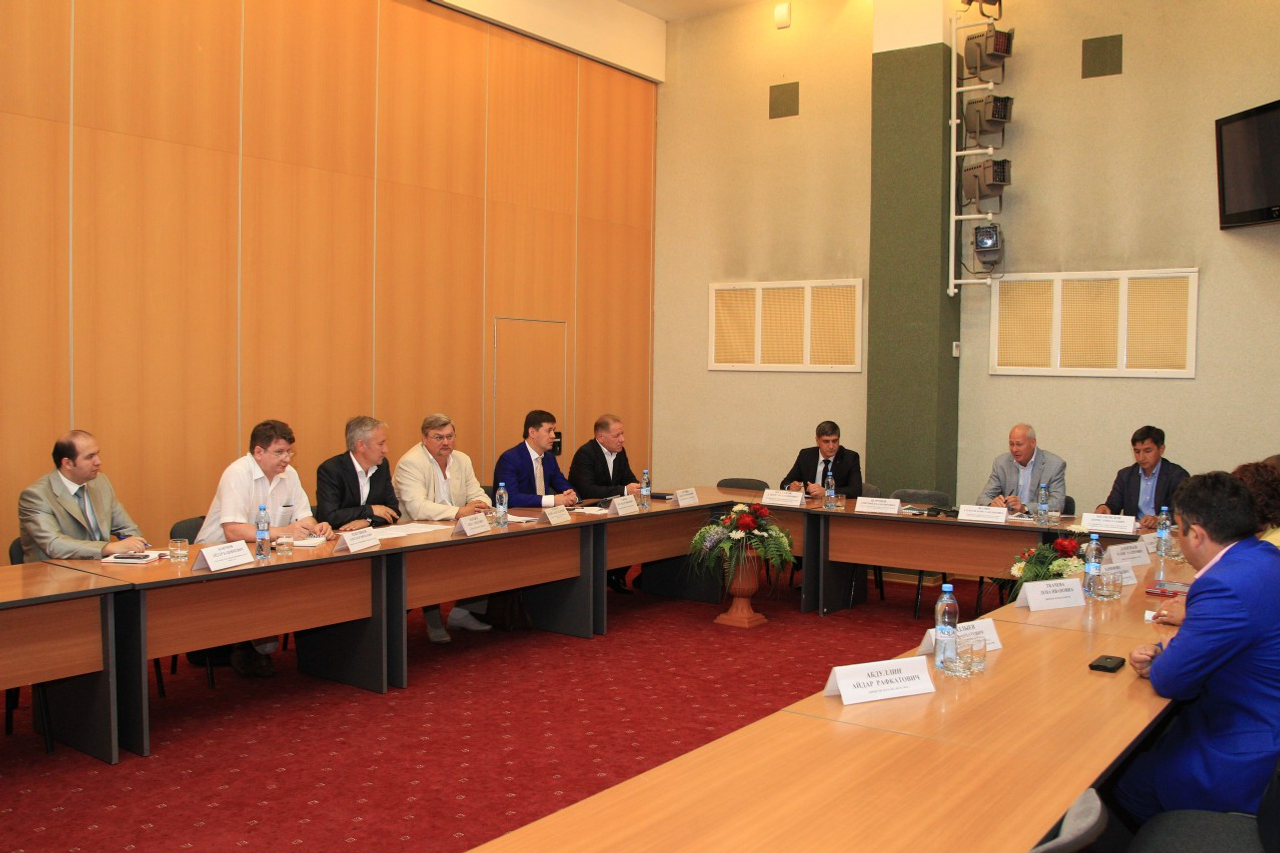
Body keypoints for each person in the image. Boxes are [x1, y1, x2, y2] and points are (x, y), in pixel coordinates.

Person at [1114, 472, 1280, 827]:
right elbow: (1222, 638)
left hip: (1248, 752)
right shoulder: (1265, 556)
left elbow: (1171, 681)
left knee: (1121, 779)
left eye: (1178, 529)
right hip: (1261, 716)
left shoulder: (1225, 584)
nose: (1177, 537)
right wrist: (1165, 651)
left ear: (1197, 535)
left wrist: (1163, 661)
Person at [195, 419, 335, 677]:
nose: (287, 459)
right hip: (219, 558)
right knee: (260, 588)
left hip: (264, 555)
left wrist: (316, 527)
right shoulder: (237, 473)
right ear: (258, 452)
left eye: (289, 452)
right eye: (279, 452)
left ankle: (265, 643)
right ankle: (243, 644)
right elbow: (233, 530)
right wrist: (283, 531)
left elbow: (304, 516)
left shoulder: (289, 475)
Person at [392, 413, 493, 641]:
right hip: (417, 532)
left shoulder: (462, 460)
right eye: (438, 437)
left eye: (450, 436)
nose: (446, 442)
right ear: (424, 439)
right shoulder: (411, 462)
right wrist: (459, 512)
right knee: (433, 568)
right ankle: (434, 623)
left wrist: (480, 504)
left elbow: (477, 492)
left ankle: (462, 613)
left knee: (487, 551)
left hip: (455, 528)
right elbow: (417, 507)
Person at [18, 430, 148, 563]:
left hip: (101, 568)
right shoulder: (36, 495)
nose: (98, 462)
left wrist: (134, 543)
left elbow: (126, 527)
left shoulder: (100, 482)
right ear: (68, 463)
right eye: (90, 457)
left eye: (97, 454)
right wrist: (107, 548)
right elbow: (54, 544)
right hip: (54, 571)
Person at [569, 414, 641, 593]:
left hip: (611, 511)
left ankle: (616, 574)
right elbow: (587, 491)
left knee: (636, 531)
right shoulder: (585, 454)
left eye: (622, 434)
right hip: (586, 514)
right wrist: (624, 490)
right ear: (600, 437)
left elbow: (629, 479)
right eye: (617, 435)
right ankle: (607, 576)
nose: (622, 439)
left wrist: (639, 487)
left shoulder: (620, 452)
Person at [1093, 425, 1189, 529]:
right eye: (1137, 451)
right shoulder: (1125, 475)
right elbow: (1113, 506)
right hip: (1134, 533)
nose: (1141, 457)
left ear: (1161, 449)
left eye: (1147, 451)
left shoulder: (1177, 475)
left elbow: (1182, 512)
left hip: (1163, 533)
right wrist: (1104, 508)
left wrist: (1159, 519)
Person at [315, 416, 400, 531]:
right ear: (361, 445)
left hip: (372, 536)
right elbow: (329, 516)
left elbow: (394, 511)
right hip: (339, 537)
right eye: (381, 444)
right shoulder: (331, 469)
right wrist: (370, 510)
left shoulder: (382, 466)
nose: (386, 450)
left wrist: (368, 521)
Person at [493, 410, 578, 509]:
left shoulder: (549, 459)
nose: (553, 436)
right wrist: (552, 500)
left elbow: (563, 485)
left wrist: (572, 497)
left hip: (545, 516)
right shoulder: (510, 459)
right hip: (516, 517)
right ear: (532, 432)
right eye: (549, 431)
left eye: (553, 430)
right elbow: (509, 498)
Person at [977, 423, 1066, 513]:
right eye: (1011, 444)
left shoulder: (1054, 465)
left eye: (1019, 444)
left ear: (1033, 443)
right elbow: (983, 498)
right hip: (1009, 520)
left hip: (1037, 519)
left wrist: (1025, 508)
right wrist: (991, 504)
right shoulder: (1001, 463)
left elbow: (1057, 504)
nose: (1014, 449)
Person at [780, 420, 863, 500]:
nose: (831, 446)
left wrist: (827, 492)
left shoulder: (850, 458)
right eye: (826, 442)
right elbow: (785, 483)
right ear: (817, 441)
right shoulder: (806, 455)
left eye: (835, 441)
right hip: (810, 507)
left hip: (836, 506)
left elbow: (856, 491)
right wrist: (790, 487)